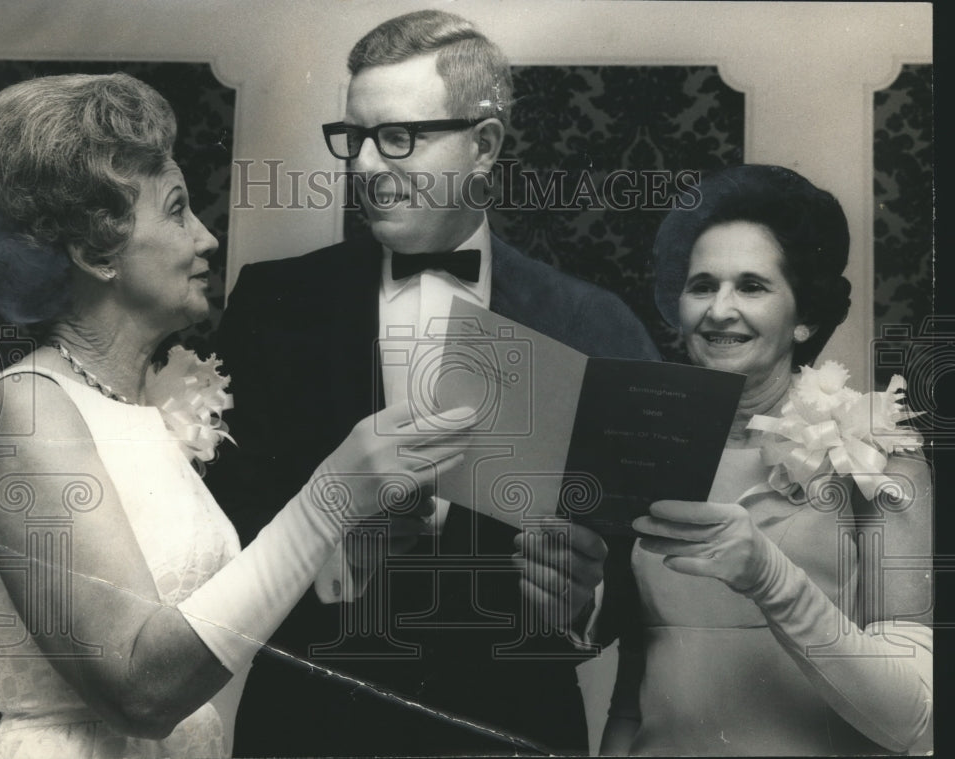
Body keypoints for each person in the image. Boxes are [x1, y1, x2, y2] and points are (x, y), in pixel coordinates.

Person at [0, 72, 471, 758]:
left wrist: (347, 540)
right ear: (94, 251)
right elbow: (140, 687)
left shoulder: (134, 408)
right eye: (176, 210)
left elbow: (198, 617)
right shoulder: (28, 409)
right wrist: (327, 497)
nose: (205, 237)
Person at [205, 8, 661, 756]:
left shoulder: (590, 321)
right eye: (354, 139)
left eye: (398, 138)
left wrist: (586, 600)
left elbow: (641, 557)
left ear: (484, 145)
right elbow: (219, 519)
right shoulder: (274, 305)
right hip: (308, 726)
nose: (363, 166)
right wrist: (333, 554)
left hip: (511, 730)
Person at [599, 163, 933, 756]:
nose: (719, 309)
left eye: (751, 286)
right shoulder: (648, 448)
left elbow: (916, 719)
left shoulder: (879, 455)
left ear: (804, 316)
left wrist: (771, 578)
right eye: (702, 285)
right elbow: (638, 681)